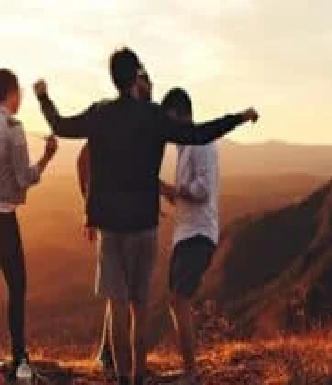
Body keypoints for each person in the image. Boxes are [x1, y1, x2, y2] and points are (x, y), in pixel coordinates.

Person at [34, 47, 258, 385]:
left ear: (112, 78)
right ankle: (138, 376)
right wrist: (238, 118)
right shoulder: (154, 117)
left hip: (111, 226)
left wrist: (43, 96)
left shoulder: (100, 113)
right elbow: (198, 133)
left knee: (118, 305)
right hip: (145, 226)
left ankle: (124, 377)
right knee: (139, 305)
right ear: (136, 76)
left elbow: (60, 125)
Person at [0, 68, 58, 377]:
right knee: (17, 284)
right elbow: (24, 177)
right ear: (12, 93)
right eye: (18, 93)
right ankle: (19, 355)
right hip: (0, 215)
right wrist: (47, 157)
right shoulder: (12, 125)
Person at [76, 72, 153, 377]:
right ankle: (119, 365)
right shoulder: (130, 119)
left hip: (130, 222)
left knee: (123, 298)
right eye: (142, 82)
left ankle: (120, 366)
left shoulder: (143, 118)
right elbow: (85, 159)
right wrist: (90, 207)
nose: (146, 87)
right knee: (126, 300)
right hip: (122, 222)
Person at [160, 88, 219, 385]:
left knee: (179, 299)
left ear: (182, 114)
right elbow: (187, 193)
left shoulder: (201, 142)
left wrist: (174, 190)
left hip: (199, 233)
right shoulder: (185, 147)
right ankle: (187, 369)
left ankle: (191, 373)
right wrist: (166, 190)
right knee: (176, 300)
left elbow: (202, 189)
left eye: (170, 120)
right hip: (185, 233)